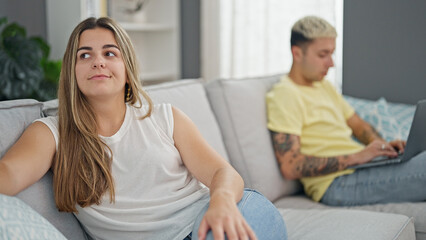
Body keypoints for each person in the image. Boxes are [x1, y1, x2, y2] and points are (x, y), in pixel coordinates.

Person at [0, 17, 287, 240]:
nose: (98, 61)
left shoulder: (164, 117)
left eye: (109, 53)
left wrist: (222, 201)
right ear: (72, 72)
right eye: (84, 55)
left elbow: (222, 173)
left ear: (126, 69)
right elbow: (8, 176)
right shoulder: (53, 133)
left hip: (219, 215)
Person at [266, 16, 426, 206]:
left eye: (332, 54)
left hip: (361, 168)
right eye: (323, 54)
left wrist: (383, 147)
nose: (331, 63)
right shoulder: (285, 94)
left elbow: (358, 125)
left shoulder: (324, 86)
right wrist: (356, 157)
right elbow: (290, 166)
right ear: (297, 53)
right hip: (336, 183)